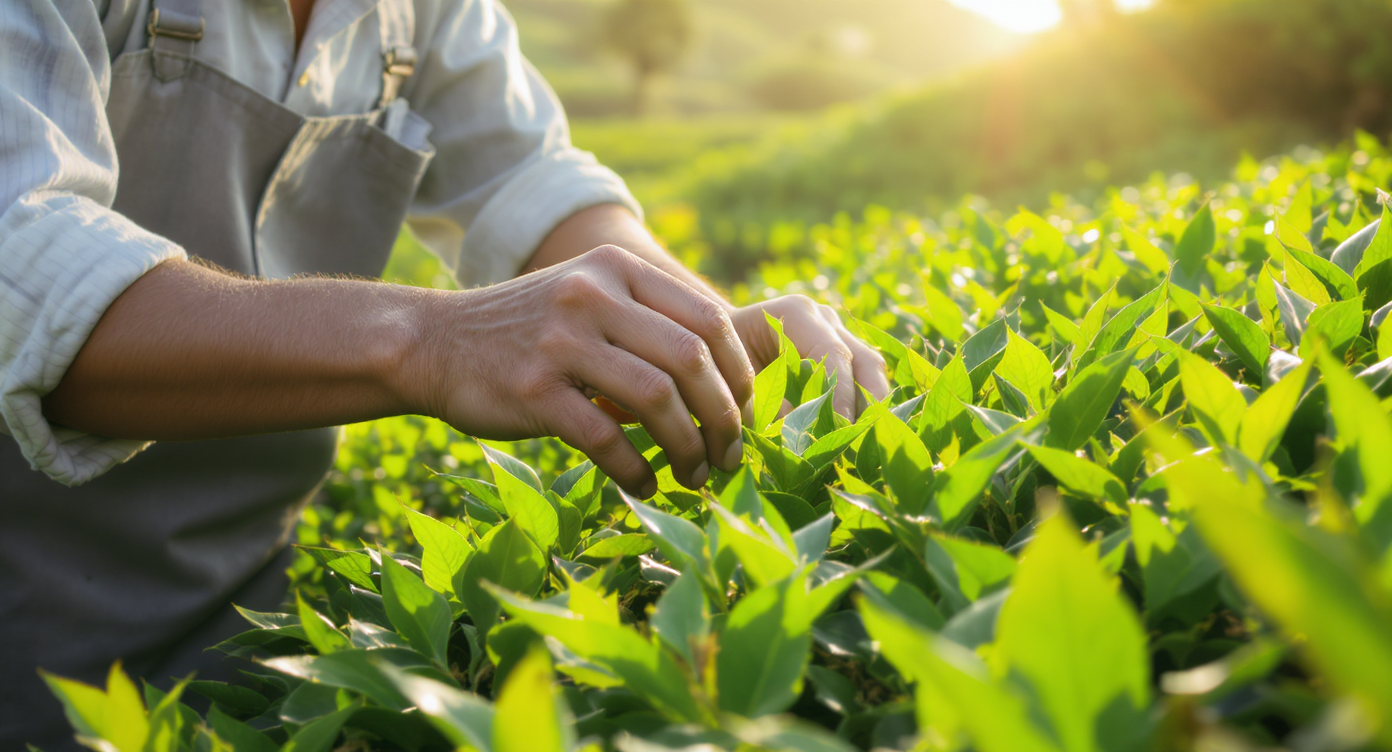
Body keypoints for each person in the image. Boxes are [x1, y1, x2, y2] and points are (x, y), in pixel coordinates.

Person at [0, 0, 889, 747]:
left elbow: (528, 179)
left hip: (241, 611)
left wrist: (702, 332)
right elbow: (22, 264)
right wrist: (431, 340)